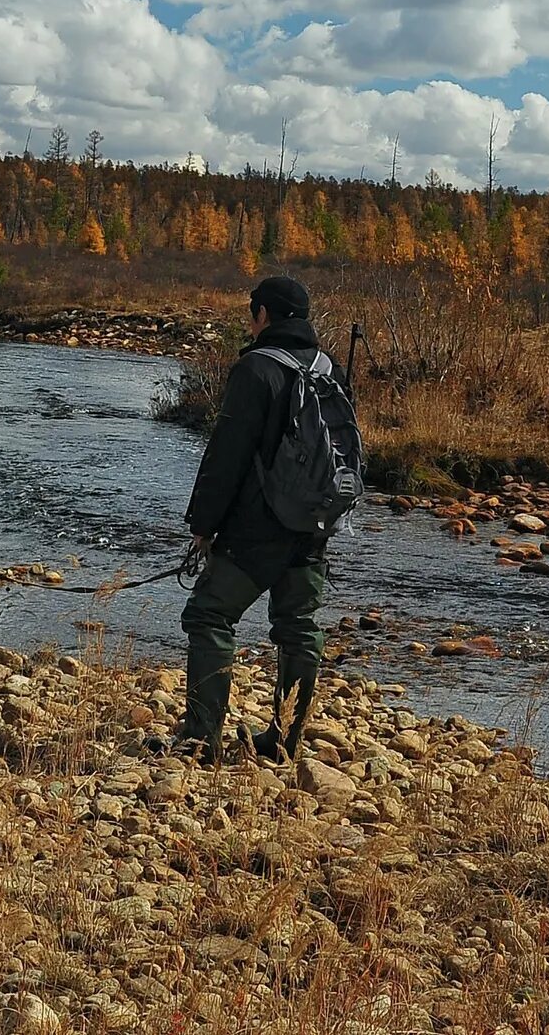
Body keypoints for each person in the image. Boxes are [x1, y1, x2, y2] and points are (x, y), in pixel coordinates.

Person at [172, 273, 340, 761]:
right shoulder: (329, 369)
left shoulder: (256, 369)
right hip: (314, 524)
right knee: (299, 626)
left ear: (263, 315)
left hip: (256, 528)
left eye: (252, 311)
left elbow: (228, 455)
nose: (250, 321)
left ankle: (203, 738)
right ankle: (286, 741)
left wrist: (203, 525)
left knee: (208, 615)